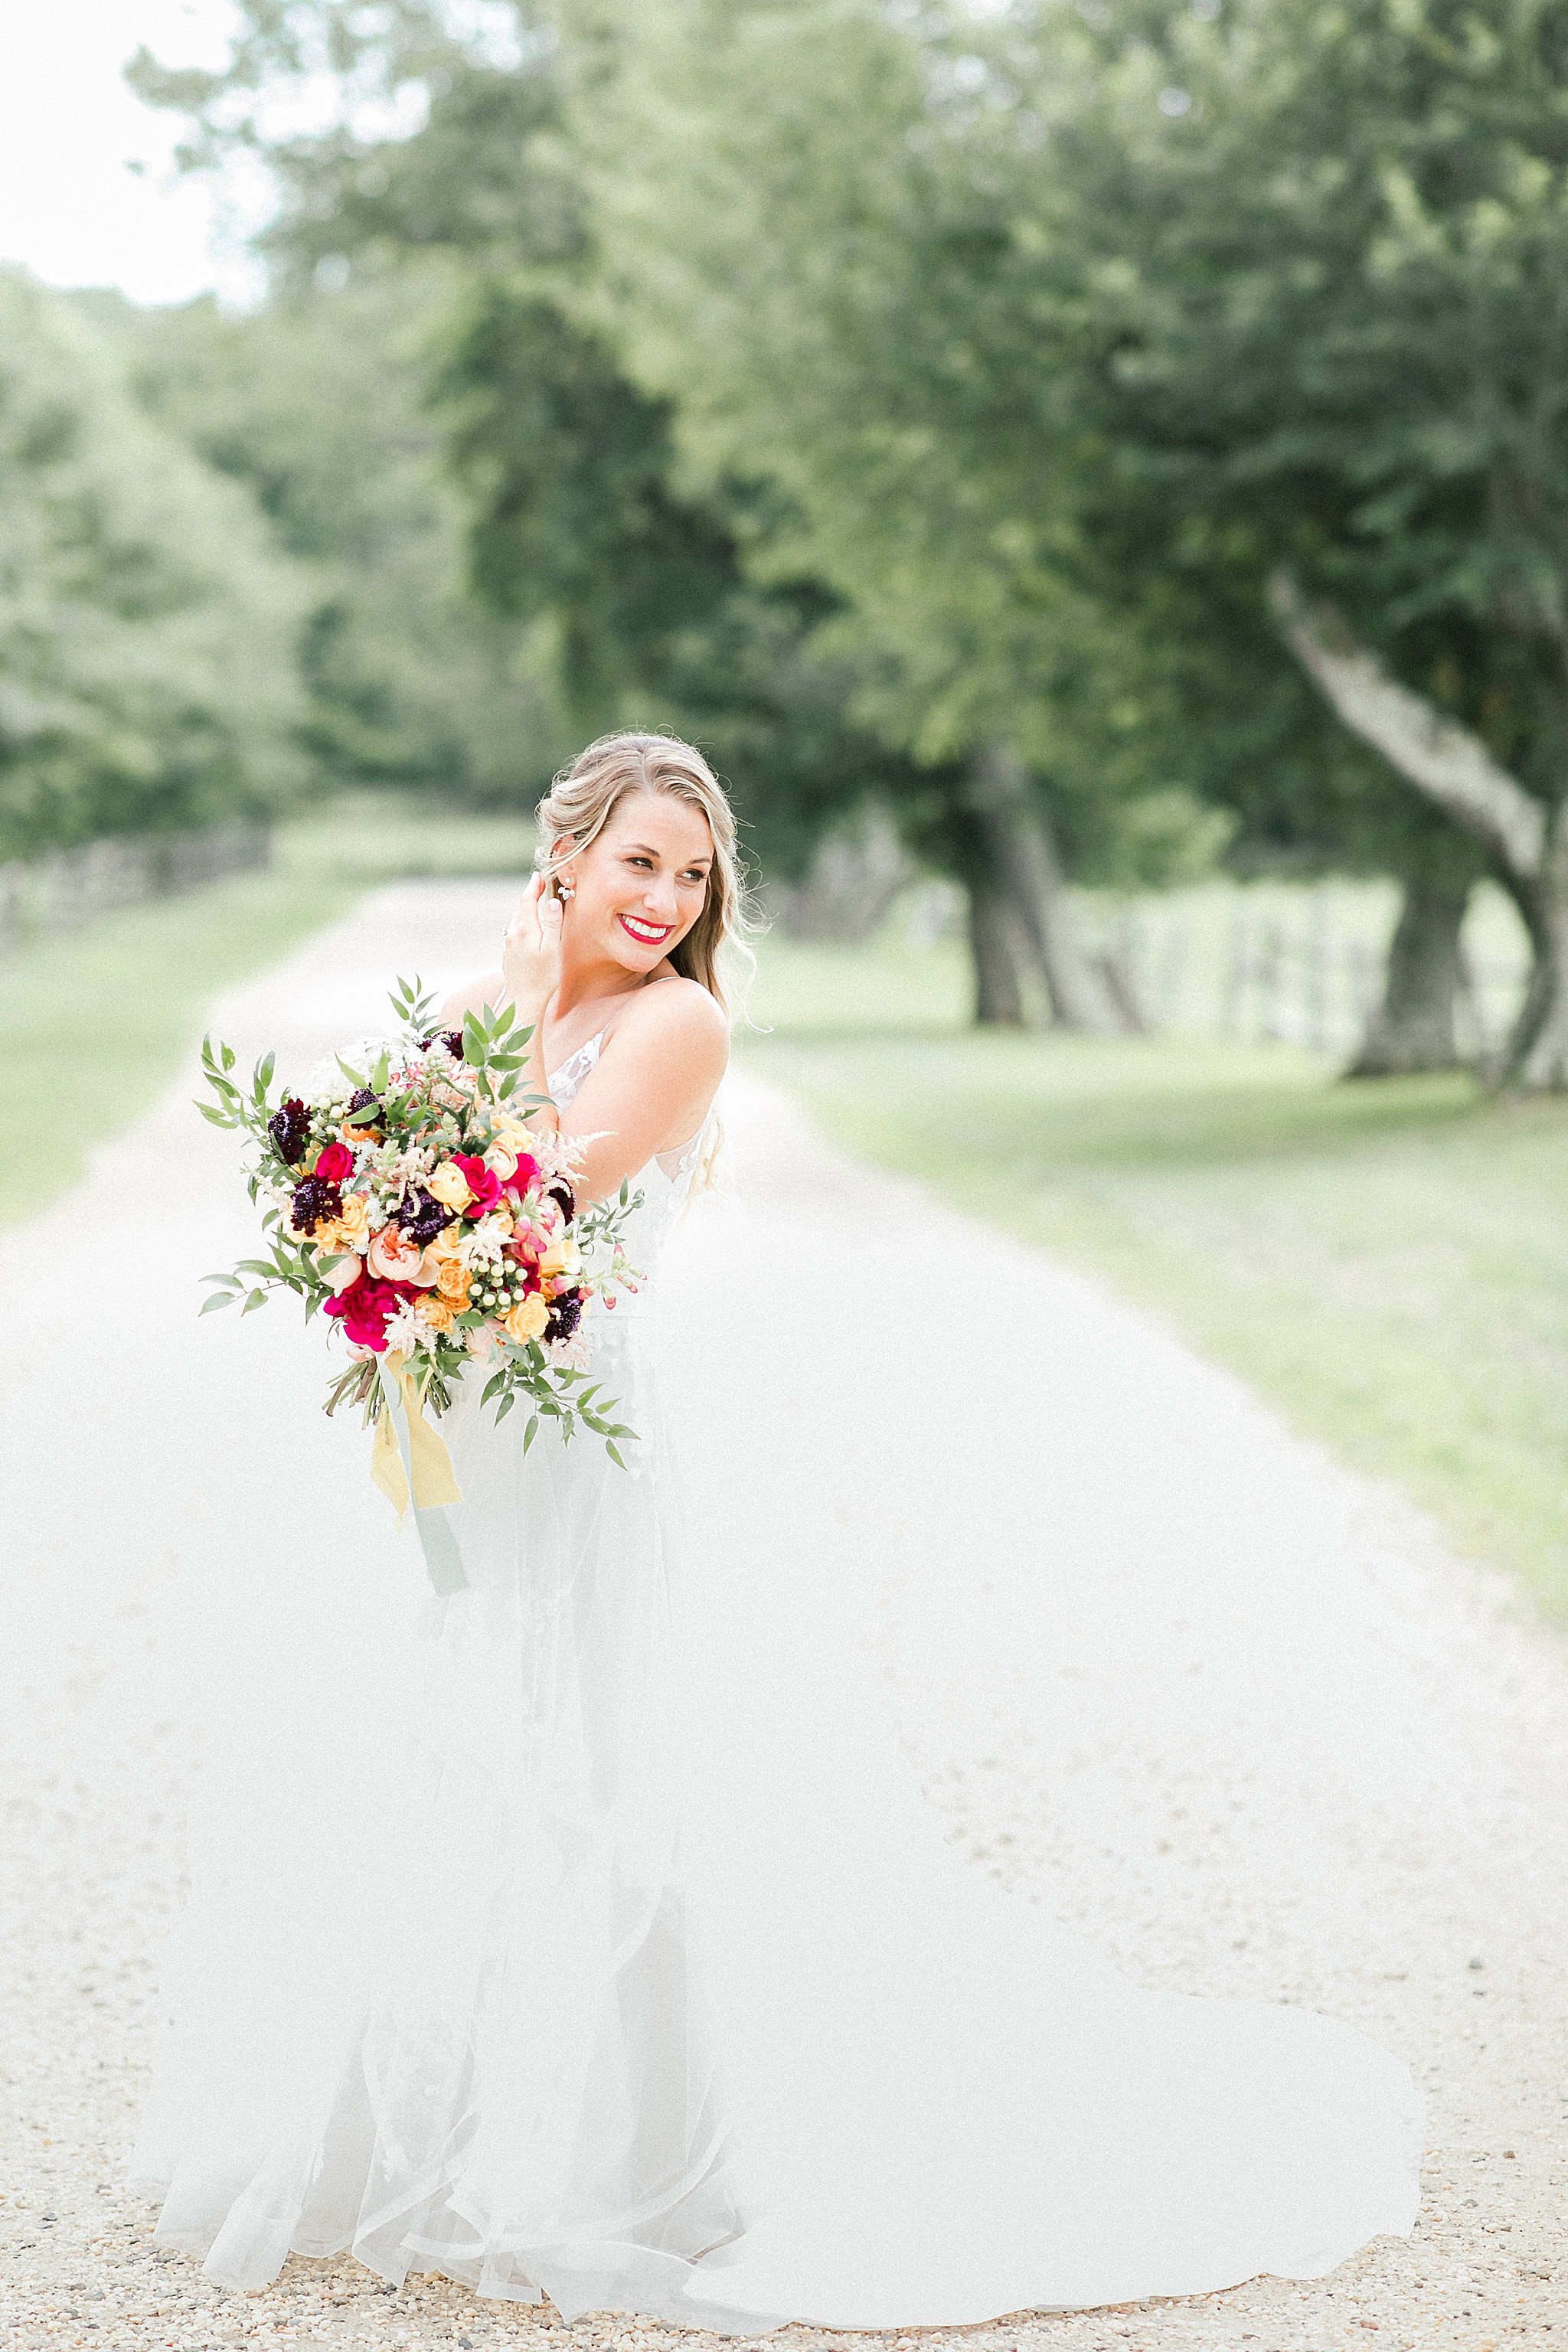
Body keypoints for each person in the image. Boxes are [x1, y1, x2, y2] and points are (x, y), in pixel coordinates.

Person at [132, 730, 1423, 2330]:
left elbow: (530, 1201)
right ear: (567, 859)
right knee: (466, 1739)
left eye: (692, 873)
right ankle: (430, 2128)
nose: (667, 898)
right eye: (639, 864)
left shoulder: (676, 1027)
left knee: (601, 1762)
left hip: (584, 1445)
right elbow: (392, 1184)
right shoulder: (493, 1003)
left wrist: (518, 1020)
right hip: (476, 1439)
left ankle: (642, 2162)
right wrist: (368, 1223)